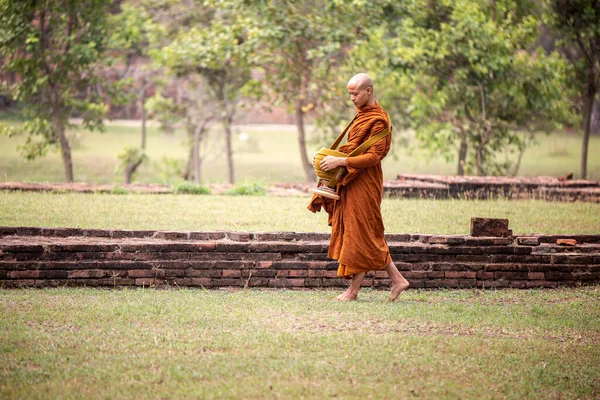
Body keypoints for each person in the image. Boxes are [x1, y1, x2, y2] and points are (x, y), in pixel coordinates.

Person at [308, 73, 410, 301]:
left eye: (355, 93)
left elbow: (374, 156)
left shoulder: (379, 120)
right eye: (349, 94)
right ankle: (397, 280)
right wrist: (326, 156)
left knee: (362, 233)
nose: (352, 98)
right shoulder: (362, 114)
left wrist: (341, 161)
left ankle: (353, 291)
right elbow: (353, 148)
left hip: (365, 181)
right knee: (361, 233)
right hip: (352, 179)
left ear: (368, 91)